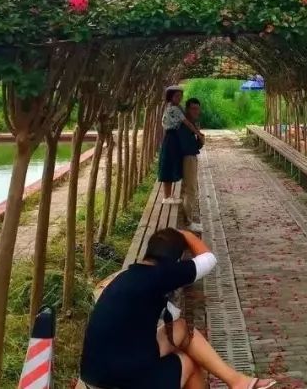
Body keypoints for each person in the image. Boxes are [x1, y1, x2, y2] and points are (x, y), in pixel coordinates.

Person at [80, 227, 276, 389]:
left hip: (96, 371)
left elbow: (173, 318)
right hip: (117, 380)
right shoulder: (162, 275)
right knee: (188, 363)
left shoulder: (129, 276)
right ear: (176, 261)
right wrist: (187, 236)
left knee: (182, 327)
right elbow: (209, 260)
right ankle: (237, 382)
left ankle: (237, 381)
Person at [160, 86, 205, 206]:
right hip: (171, 138)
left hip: (173, 138)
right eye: (176, 96)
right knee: (168, 166)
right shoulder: (173, 109)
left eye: (180, 96)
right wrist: (199, 134)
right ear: (171, 96)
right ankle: (166, 196)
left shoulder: (176, 107)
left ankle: (169, 195)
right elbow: (188, 124)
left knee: (172, 164)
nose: (179, 98)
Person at [178, 97, 205, 234]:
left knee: (189, 188)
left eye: (198, 109)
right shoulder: (185, 124)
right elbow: (186, 145)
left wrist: (200, 139)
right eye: (193, 108)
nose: (196, 111)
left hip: (191, 156)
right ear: (187, 109)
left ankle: (187, 219)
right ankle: (188, 222)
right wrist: (198, 139)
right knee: (191, 189)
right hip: (187, 157)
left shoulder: (193, 123)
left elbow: (197, 144)